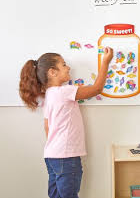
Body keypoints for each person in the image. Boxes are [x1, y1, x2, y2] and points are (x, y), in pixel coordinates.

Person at [19, 48, 113, 198]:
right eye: (64, 65)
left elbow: (47, 126)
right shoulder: (64, 91)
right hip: (66, 156)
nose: (68, 67)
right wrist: (105, 62)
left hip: (51, 155)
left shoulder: (48, 96)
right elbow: (97, 89)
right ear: (52, 72)